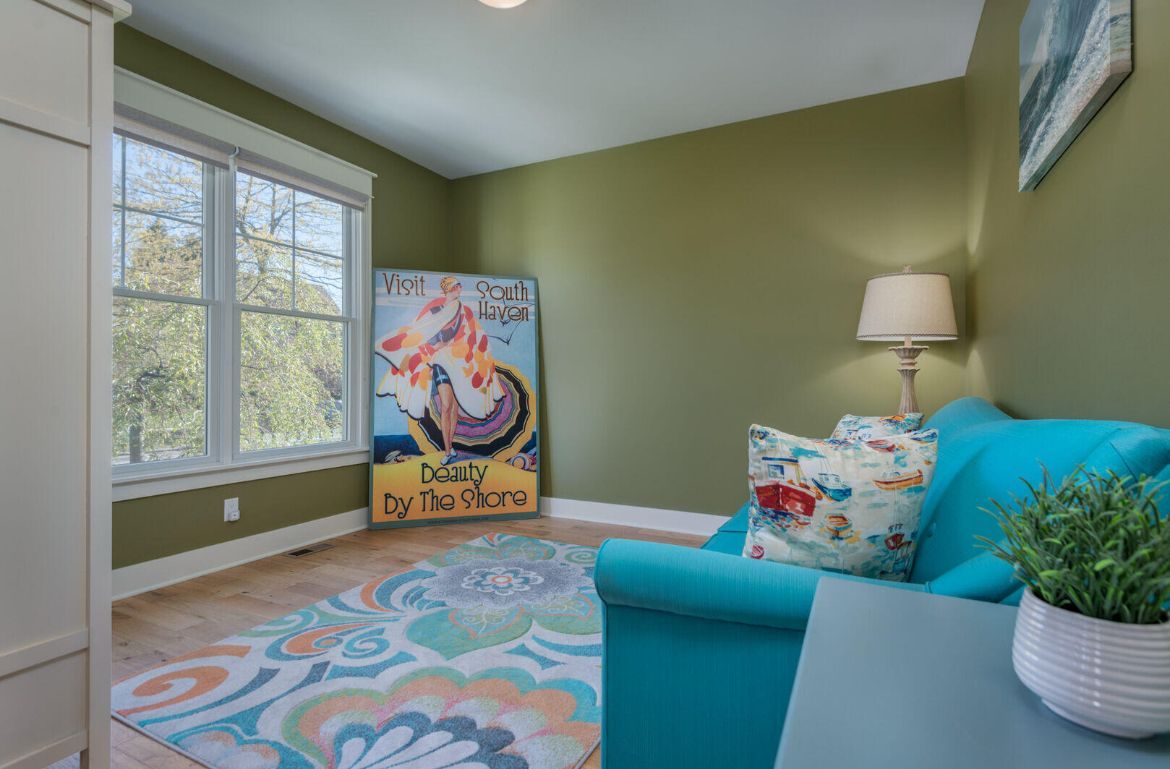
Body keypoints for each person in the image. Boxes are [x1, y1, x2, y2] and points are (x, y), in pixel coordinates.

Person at [375, 276, 504, 465]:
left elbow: (474, 337)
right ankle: (447, 449)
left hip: (459, 363)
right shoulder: (434, 308)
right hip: (439, 362)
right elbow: (419, 332)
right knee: (445, 405)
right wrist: (437, 346)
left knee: (454, 407)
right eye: (457, 286)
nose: (460, 288)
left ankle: (449, 448)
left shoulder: (464, 311)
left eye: (460, 285)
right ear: (449, 289)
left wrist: (453, 343)